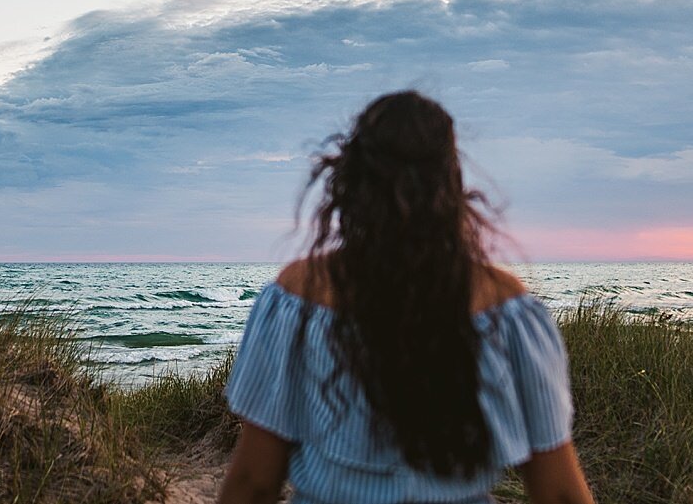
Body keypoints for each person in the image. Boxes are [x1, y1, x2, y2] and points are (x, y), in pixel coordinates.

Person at [217, 91, 594, 504]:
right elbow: (558, 492)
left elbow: (254, 483)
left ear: (350, 183)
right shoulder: (508, 311)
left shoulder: (298, 298)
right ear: (451, 185)